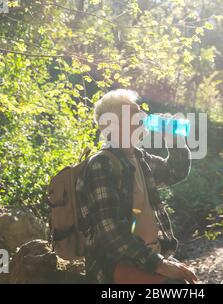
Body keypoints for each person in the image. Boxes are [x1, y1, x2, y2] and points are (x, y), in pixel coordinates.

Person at [78, 89, 198, 284]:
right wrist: (161, 265)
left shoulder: (139, 158)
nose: (143, 115)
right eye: (134, 112)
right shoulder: (101, 164)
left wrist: (174, 139)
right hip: (118, 265)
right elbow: (110, 232)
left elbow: (176, 171)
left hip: (150, 257)